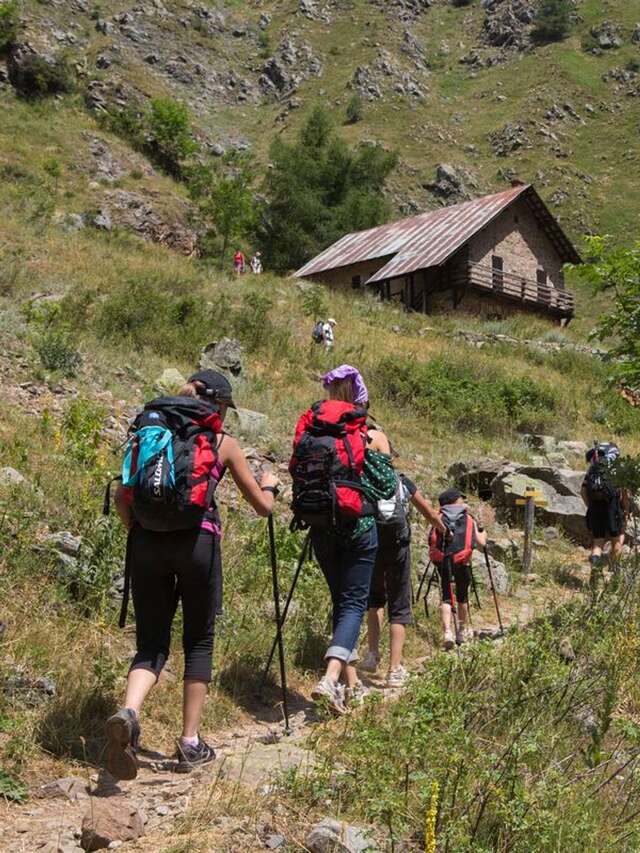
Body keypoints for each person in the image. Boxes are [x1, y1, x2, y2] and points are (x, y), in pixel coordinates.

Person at [105, 370, 279, 780]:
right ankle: (189, 743)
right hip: (198, 544)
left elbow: (120, 494)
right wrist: (270, 486)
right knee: (198, 640)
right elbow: (263, 508)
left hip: (147, 542)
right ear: (217, 404)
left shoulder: (150, 430)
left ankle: (129, 712)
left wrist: (136, 528)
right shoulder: (222, 442)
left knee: (151, 642)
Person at [289, 365, 385, 714]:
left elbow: (293, 467)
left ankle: (352, 685)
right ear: (358, 395)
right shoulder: (363, 430)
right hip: (358, 527)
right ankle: (330, 679)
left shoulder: (312, 425)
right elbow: (387, 486)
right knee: (353, 605)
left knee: (342, 604)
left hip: (319, 524)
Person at [360, 473, 446, 687]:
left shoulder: (363, 477)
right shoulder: (400, 480)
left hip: (371, 543)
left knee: (375, 599)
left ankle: (372, 654)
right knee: (399, 603)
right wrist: (444, 529)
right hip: (398, 545)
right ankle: (394, 669)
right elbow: (428, 512)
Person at [430, 488, 487, 650]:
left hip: (443, 561)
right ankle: (461, 631)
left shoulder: (438, 517)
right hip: (462, 561)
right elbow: (482, 544)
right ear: (455, 501)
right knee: (462, 597)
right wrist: (484, 533)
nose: (462, 501)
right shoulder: (468, 518)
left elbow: (431, 540)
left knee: (446, 596)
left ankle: (447, 632)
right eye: (460, 499)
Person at [581, 442, 628, 591]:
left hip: (595, 508)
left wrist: (590, 506)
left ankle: (595, 577)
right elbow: (625, 493)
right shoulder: (616, 470)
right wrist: (625, 510)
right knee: (617, 540)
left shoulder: (592, 470)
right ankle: (616, 577)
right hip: (612, 508)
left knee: (597, 543)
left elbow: (582, 491)